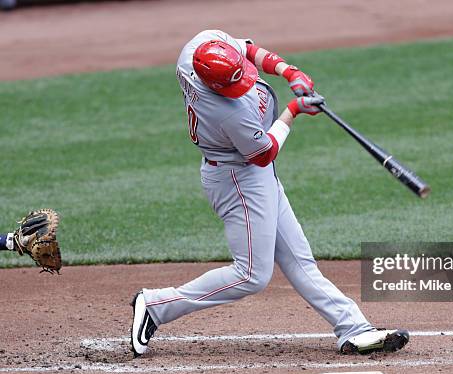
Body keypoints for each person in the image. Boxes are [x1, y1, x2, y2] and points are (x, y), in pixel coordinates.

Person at [130, 30, 409, 357]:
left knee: (299, 259)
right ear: (216, 87)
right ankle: (155, 305)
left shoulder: (200, 46)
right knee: (251, 275)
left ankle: (354, 328)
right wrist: (293, 109)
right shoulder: (226, 112)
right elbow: (263, 154)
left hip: (251, 173)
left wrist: (289, 71)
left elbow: (247, 49)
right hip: (238, 178)